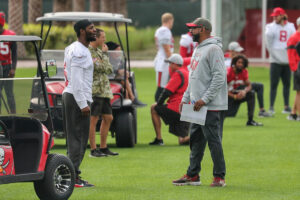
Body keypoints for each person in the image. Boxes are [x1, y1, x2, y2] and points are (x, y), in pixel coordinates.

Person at [172, 18, 227, 187]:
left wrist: (205, 99)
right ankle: (192, 175)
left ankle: (219, 177)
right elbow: (193, 78)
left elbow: (219, 77)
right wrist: (186, 98)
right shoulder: (198, 49)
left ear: (202, 29)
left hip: (208, 105)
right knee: (195, 141)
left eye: (193, 29)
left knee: (213, 141)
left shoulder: (214, 49)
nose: (191, 32)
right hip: (195, 105)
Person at [62, 19, 96, 187]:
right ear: (82, 31)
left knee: (76, 138)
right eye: (91, 28)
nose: (94, 30)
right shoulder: (79, 51)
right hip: (76, 98)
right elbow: (76, 79)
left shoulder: (75, 48)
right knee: (79, 139)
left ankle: (71, 174)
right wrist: (83, 103)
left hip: (73, 96)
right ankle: (72, 177)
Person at [88, 29, 118, 157]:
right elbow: (99, 67)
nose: (104, 40)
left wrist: (104, 57)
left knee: (108, 118)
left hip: (104, 91)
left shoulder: (100, 52)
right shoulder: (89, 52)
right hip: (95, 90)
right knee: (93, 119)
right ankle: (93, 150)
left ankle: (104, 147)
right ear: (96, 38)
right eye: (103, 37)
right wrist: (105, 56)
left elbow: (110, 69)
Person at [149, 54, 190, 145]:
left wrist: (158, 103)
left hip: (177, 107)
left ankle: (159, 139)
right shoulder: (187, 73)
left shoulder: (178, 74)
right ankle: (196, 137)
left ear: (175, 64)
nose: (169, 66)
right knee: (182, 140)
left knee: (153, 108)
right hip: (188, 110)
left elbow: (167, 92)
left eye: (170, 63)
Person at [226, 41, 272, 117]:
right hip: (230, 88)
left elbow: (245, 80)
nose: (239, 53)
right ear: (231, 51)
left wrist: (244, 90)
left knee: (257, 87)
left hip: (239, 85)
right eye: (237, 52)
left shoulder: (239, 62)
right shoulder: (227, 62)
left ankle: (261, 111)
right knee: (230, 114)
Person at [265, 7, 296, 114]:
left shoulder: (291, 26)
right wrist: (275, 56)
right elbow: (268, 43)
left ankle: (286, 106)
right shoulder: (270, 27)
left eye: (276, 16)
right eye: (273, 16)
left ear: (282, 15)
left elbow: (294, 41)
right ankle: (271, 107)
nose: (274, 18)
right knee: (274, 85)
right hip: (275, 61)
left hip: (287, 61)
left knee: (287, 85)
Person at [225, 55, 263, 126]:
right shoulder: (228, 72)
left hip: (237, 94)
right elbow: (222, 90)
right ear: (234, 62)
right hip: (228, 97)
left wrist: (244, 91)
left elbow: (249, 85)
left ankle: (250, 121)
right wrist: (234, 96)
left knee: (251, 94)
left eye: (242, 63)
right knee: (228, 114)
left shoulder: (244, 72)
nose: (240, 64)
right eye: (239, 62)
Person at [106, 41, 146, 107]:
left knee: (125, 86)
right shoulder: (106, 59)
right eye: (117, 51)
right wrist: (118, 71)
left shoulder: (119, 60)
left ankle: (128, 103)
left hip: (116, 78)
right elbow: (109, 70)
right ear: (111, 52)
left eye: (119, 51)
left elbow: (121, 69)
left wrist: (123, 71)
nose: (118, 53)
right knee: (124, 80)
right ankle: (133, 98)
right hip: (108, 79)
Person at [154, 13, 174, 101]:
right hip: (164, 63)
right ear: (170, 21)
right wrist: (173, 60)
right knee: (161, 88)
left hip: (163, 61)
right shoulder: (164, 30)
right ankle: (156, 109)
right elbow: (166, 48)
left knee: (166, 87)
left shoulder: (160, 30)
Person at [0, 12, 17, 114]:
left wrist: (13, 68)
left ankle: (13, 114)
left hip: (7, 66)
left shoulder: (10, 35)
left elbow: (14, 54)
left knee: (9, 93)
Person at [287, 17, 300, 120]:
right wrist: (295, 68)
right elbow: (290, 54)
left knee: (298, 92)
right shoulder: (294, 37)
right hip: (297, 68)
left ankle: (293, 113)